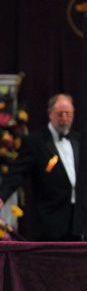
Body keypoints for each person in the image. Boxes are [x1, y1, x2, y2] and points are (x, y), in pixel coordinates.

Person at [0, 94, 80, 240]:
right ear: (50, 113)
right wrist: (2, 196)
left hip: (78, 219)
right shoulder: (35, 142)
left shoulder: (78, 140)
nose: (64, 118)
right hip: (50, 220)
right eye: (59, 114)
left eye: (68, 114)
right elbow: (17, 173)